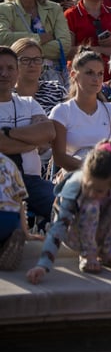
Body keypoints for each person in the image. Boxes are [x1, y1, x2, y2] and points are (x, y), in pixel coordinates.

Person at [26, 139, 111, 281]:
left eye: (99, 191)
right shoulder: (74, 184)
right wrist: (43, 265)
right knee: (91, 205)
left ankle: (107, 251)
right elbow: (59, 227)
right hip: (75, 233)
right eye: (88, 187)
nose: (93, 193)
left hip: (102, 229)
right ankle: (88, 254)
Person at [0, 46, 56, 225]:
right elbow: (3, 146)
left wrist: (8, 132)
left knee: (69, 206)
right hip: (2, 184)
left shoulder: (29, 103)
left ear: (17, 72)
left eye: (10, 68)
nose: (4, 74)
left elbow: (48, 133)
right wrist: (32, 142)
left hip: (32, 181)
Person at [50, 49, 111, 173]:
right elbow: (60, 158)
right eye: (89, 73)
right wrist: (92, 169)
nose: (96, 79)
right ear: (74, 75)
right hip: (73, 174)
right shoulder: (61, 111)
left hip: (107, 174)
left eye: (100, 73)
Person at [0, 0, 72, 69]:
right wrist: (40, 37)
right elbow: (3, 39)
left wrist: (20, 46)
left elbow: (64, 46)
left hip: (51, 76)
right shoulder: (3, 10)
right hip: (17, 75)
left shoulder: (54, 9)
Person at [10, 38, 65, 121]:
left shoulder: (57, 90)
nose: (32, 64)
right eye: (25, 60)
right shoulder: (6, 96)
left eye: (37, 60)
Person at [0, 153, 29, 271]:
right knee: (13, 219)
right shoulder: (9, 163)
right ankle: (9, 239)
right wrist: (26, 232)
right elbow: (20, 201)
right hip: (8, 220)